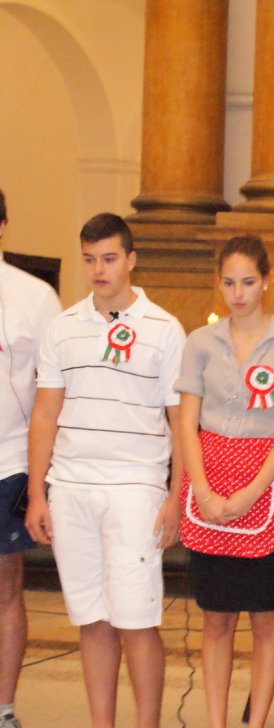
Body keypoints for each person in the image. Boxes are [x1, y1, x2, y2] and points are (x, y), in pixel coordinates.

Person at [24, 213, 185, 728]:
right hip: (71, 487)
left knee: (136, 621)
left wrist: (176, 496)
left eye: (109, 258)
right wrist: (37, 493)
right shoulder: (62, 328)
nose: (99, 269)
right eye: (90, 259)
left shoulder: (165, 329)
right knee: (91, 620)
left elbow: (180, 422)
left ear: (131, 260)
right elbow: (45, 415)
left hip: (135, 490)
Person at [174, 236, 274, 728]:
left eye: (248, 282)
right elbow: (186, 422)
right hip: (208, 480)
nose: (238, 293)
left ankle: (254, 724)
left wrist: (251, 492)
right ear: (218, 283)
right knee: (216, 619)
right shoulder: (199, 343)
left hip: (265, 483)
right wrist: (203, 490)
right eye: (229, 283)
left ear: (266, 282)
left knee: (265, 617)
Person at [0, 188, 62, 728]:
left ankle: (3, 708)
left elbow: (56, 390)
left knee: (5, 588)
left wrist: (42, 479)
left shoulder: (35, 297)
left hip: (8, 465)